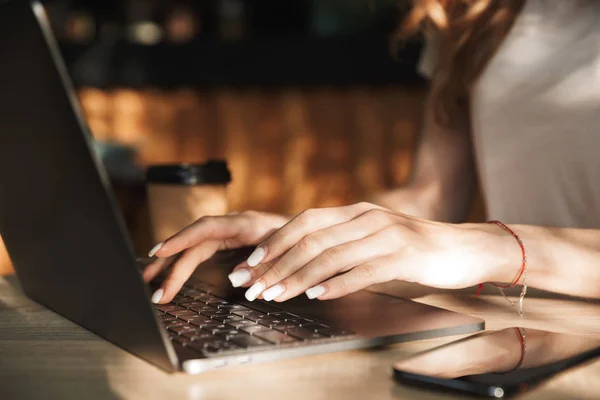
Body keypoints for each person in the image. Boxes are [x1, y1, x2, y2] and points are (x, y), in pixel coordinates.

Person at [144, 0, 600, 306]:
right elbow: (430, 199)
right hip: (526, 333)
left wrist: (489, 245)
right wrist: (304, 234)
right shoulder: (474, 13)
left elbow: (461, 238)